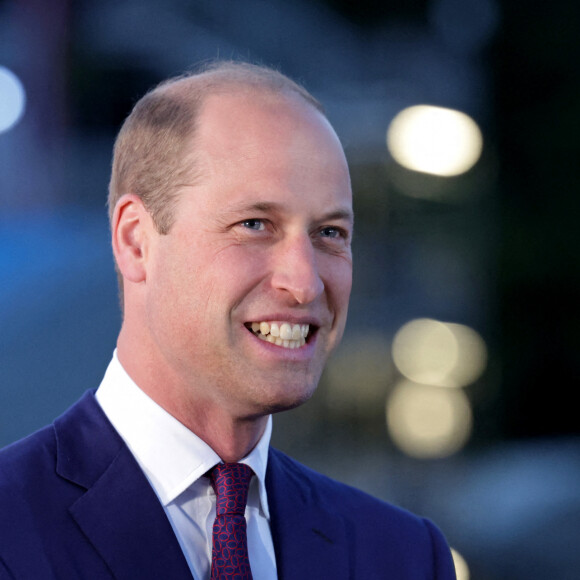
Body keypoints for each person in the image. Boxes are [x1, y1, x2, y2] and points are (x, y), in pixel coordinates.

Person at [0, 61, 456, 579]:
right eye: (255, 225)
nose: (304, 282)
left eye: (329, 233)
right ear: (135, 240)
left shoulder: (403, 556)